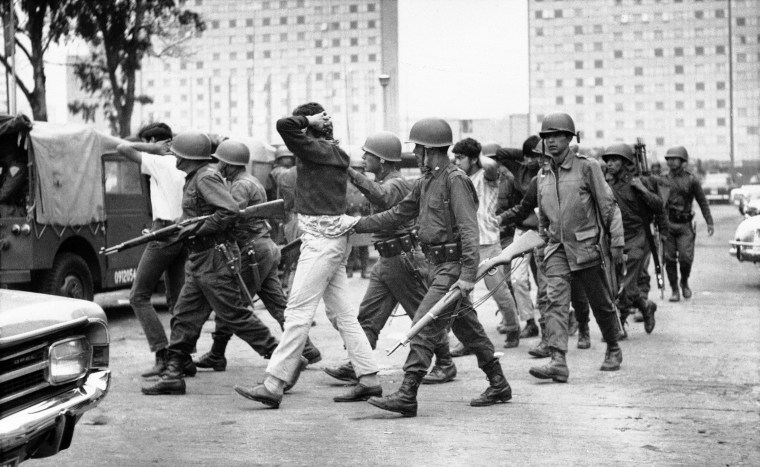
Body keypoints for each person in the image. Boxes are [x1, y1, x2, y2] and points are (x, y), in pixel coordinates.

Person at [353, 118, 512, 417]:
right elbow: (398, 213)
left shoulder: (455, 180)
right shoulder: (427, 181)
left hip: (452, 268)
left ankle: (407, 393)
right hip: (436, 265)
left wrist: (466, 276)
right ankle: (498, 382)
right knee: (470, 330)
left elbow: (468, 231)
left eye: (416, 147)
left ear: (428, 149)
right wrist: (356, 225)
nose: (413, 153)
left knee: (423, 326)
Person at [233, 102, 381, 408]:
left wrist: (306, 120)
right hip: (334, 239)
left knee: (297, 313)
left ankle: (274, 384)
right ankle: (369, 378)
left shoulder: (314, 149)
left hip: (320, 241)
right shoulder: (332, 151)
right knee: (344, 315)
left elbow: (283, 125)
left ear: (309, 129)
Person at [142, 131, 280, 396]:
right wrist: (171, 230)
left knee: (234, 315)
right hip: (201, 259)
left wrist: (195, 230)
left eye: (178, 155)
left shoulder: (205, 178)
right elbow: (191, 217)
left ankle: (283, 362)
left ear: (188, 157)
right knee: (184, 315)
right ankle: (173, 373)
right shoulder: (195, 178)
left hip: (215, 258)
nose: (175, 158)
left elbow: (228, 211)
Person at [323, 131, 457, 387]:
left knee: (424, 315)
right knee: (369, 316)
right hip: (388, 259)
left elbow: (381, 197)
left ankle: (445, 363)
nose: (363, 158)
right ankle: (358, 364)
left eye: (368, 155)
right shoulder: (388, 181)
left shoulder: (396, 183)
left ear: (382, 160)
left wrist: (349, 171)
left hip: (404, 260)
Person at [193, 139, 321, 372]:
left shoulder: (240, 186)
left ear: (231, 164)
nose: (218, 165)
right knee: (276, 303)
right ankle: (308, 348)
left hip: (253, 252)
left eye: (221, 161)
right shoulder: (249, 181)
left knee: (232, 303)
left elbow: (230, 217)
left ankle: (217, 353)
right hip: (263, 249)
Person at [530, 112, 625, 384]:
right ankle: (558, 360)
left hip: (586, 246)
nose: (552, 142)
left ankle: (613, 347)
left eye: (558, 136)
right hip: (557, 248)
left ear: (570, 139)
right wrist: (541, 245)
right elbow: (543, 218)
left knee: (600, 303)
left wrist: (617, 242)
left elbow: (608, 206)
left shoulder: (587, 167)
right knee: (555, 302)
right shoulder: (543, 174)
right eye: (547, 137)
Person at [117, 123, 188, 378]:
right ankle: (182, 358)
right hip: (183, 233)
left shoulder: (162, 162)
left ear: (158, 141)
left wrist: (154, 147)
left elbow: (122, 146)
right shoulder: (184, 163)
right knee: (177, 300)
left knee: (138, 296)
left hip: (164, 233)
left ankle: (162, 353)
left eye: (148, 141)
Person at [452, 137, 521, 349]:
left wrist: (476, 153)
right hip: (466, 245)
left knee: (499, 291)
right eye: (455, 157)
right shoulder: (459, 178)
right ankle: (468, 339)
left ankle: (512, 327)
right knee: (463, 296)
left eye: (461, 157)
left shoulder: (487, 176)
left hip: (488, 244)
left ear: (473, 159)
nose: (456, 161)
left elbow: (491, 164)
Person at [602, 143, 662, 335]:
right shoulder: (606, 183)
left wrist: (643, 190)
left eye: (615, 160)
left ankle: (619, 324)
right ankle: (645, 306)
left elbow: (659, 206)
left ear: (626, 162)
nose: (610, 164)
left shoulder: (639, 181)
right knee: (613, 283)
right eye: (608, 160)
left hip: (638, 236)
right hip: (615, 237)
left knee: (627, 283)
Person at [494, 136, 543, 340]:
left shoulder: (545, 172)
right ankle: (530, 321)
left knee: (546, 279)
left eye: (536, 157)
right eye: (528, 157)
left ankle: (570, 316)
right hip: (522, 230)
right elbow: (500, 154)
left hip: (543, 231)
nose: (532, 161)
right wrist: (525, 151)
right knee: (517, 278)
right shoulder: (520, 170)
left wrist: (536, 152)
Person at [662, 146, 713, 302]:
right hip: (668, 224)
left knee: (685, 258)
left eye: (674, 159)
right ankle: (674, 290)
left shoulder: (692, 179)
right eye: (669, 159)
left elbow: (702, 201)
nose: (671, 162)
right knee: (669, 258)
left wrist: (709, 221)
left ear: (683, 161)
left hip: (685, 225)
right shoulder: (663, 179)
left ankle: (684, 282)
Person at [345, 151, 372, 278]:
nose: (357, 172)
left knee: (364, 247)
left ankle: (364, 270)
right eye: (354, 169)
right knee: (349, 247)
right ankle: (349, 270)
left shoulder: (366, 183)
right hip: (349, 216)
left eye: (359, 169)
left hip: (363, 216)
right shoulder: (345, 184)